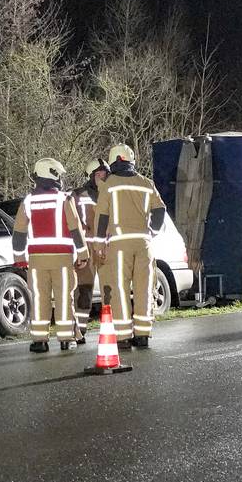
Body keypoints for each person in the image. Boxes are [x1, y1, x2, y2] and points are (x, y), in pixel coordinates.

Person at [13, 158, 91, 353]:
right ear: (54, 175)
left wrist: (19, 258)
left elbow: (19, 232)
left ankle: (39, 340)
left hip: (37, 261)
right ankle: (66, 339)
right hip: (62, 259)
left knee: (40, 298)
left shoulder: (28, 200)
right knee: (64, 297)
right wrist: (83, 254)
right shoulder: (64, 199)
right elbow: (75, 229)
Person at [94, 144, 167, 349]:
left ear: (114, 161)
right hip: (144, 243)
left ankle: (123, 336)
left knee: (120, 289)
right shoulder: (146, 183)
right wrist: (153, 231)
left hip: (119, 244)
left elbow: (102, 216)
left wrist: (99, 242)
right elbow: (160, 209)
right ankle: (143, 334)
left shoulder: (110, 184)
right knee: (144, 287)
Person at [70, 158, 111, 344]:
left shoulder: (112, 193)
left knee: (110, 291)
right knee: (83, 290)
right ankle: (79, 330)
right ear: (91, 176)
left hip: (106, 250)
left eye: (105, 173)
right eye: (98, 174)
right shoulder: (78, 196)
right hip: (87, 250)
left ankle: (113, 329)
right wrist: (78, 252)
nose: (102, 176)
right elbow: (72, 224)